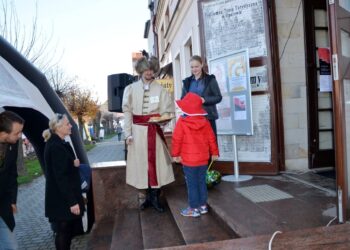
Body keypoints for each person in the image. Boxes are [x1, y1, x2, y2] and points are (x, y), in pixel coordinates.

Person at [122, 56, 175, 212]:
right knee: (141, 165)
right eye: (146, 70)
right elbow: (127, 112)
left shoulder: (160, 89)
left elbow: (167, 111)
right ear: (140, 70)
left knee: (156, 164)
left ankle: (155, 197)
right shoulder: (130, 89)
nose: (149, 73)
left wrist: (162, 120)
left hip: (154, 132)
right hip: (137, 133)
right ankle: (146, 198)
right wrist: (127, 134)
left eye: (151, 70)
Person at [171, 93, 219, 217]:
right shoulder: (205, 121)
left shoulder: (182, 121)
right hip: (203, 159)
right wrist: (214, 152)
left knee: (192, 185)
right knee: (201, 182)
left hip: (188, 160)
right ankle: (203, 206)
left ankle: (194, 208)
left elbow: (177, 139)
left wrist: (175, 154)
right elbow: (211, 138)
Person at [42, 113, 84, 250]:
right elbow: (60, 177)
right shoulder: (55, 146)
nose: (71, 126)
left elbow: (62, 168)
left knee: (66, 232)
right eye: (67, 124)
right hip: (62, 199)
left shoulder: (59, 143)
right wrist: (72, 202)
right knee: (63, 233)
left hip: (63, 197)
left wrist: (73, 164)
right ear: (58, 127)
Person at [0, 111, 24, 250]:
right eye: (17, 133)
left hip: (3, 205)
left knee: (11, 246)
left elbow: (11, 173)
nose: (20, 136)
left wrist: (12, 200)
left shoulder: (12, 144)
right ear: (3, 132)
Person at [181, 55, 222, 137]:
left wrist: (204, 100)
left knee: (210, 146)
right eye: (192, 67)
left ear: (201, 65)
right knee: (196, 147)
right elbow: (182, 99)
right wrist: (187, 102)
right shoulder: (187, 82)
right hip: (192, 121)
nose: (194, 69)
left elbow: (218, 97)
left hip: (207, 118)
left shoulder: (210, 79)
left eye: (196, 66)